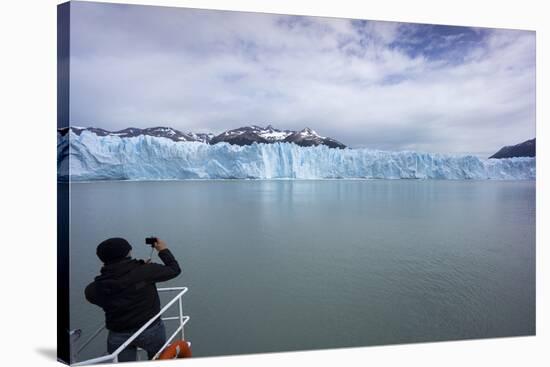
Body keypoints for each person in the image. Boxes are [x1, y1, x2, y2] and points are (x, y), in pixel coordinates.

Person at [85, 237, 181, 362]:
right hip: (151, 329)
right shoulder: (145, 271)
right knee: (159, 360)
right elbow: (174, 270)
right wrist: (162, 250)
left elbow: (93, 297)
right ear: (128, 252)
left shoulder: (95, 288)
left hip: (118, 334)